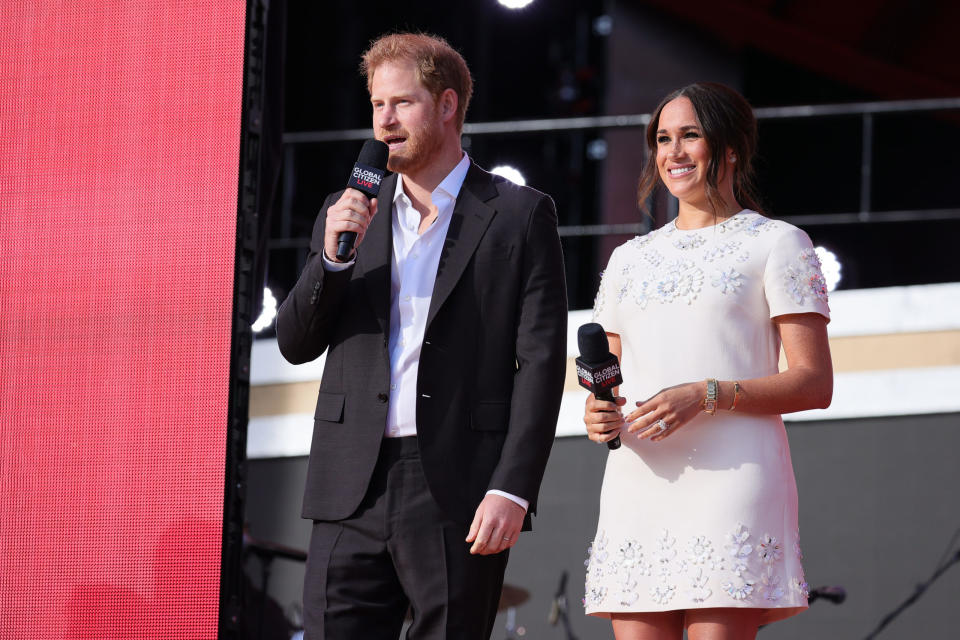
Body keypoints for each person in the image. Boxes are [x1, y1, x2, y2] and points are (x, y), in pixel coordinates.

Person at [276, 32, 567, 640]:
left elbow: (540, 362)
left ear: (447, 104)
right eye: (377, 105)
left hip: (456, 484)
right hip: (348, 482)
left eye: (402, 103)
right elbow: (296, 343)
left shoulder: (517, 213)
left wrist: (513, 488)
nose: (385, 121)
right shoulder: (347, 211)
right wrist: (330, 261)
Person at [582, 82, 833, 640]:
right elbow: (607, 380)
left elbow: (814, 384)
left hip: (734, 481)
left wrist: (706, 394)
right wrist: (597, 416)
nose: (672, 152)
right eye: (663, 139)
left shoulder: (778, 243)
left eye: (690, 136)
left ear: (732, 147)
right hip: (639, 479)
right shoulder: (630, 258)